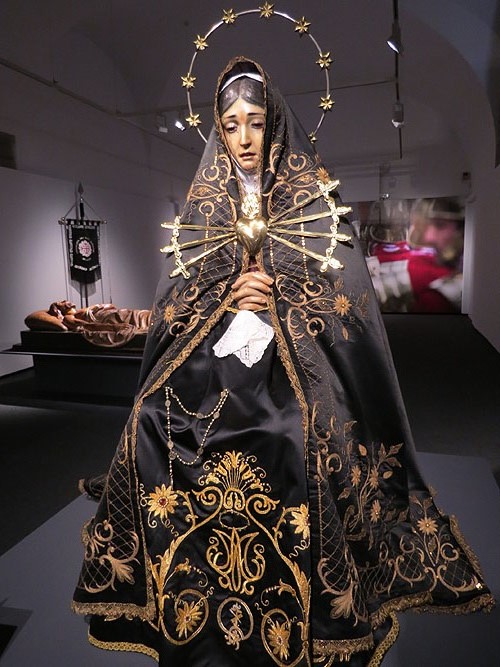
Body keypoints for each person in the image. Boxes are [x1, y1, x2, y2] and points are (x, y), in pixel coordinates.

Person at [72, 58, 493, 666]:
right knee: (150, 417)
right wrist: (228, 295)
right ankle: (184, 576)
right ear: (218, 131)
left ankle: (310, 589)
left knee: (298, 430)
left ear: (273, 124)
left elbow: (342, 295)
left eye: (255, 122)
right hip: (214, 355)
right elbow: (178, 296)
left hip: (296, 353)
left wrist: (275, 294)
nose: (244, 138)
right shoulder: (207, 205)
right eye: (231, 125)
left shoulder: (310, 198)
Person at [25, 300, 151, 347]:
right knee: (145, 322)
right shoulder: (69, 318)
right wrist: (113, 327)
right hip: (113, 319)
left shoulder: (84, 309)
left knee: (146, 315)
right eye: (61, 303)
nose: (66, 301)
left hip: (122, 313)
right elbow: (89, 326)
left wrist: (96, 307)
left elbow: (111, 305)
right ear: (59, 311)